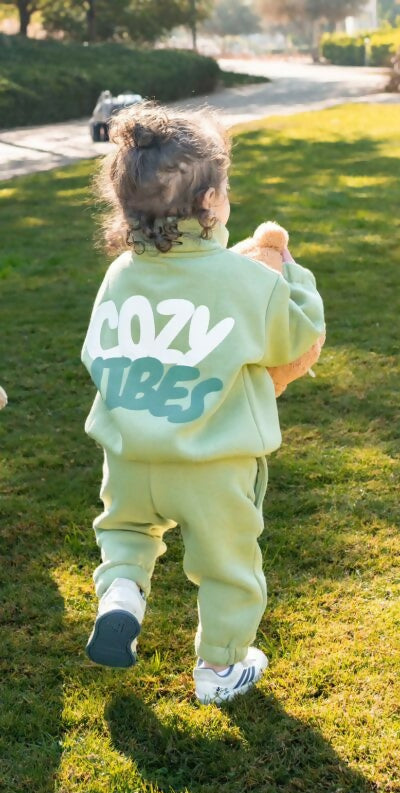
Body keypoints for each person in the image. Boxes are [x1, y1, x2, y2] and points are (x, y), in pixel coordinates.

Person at [82, 102, 325, 705]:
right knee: (226, 565)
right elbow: (298, 338)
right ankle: (220, 667)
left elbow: (94, 352)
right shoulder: (249, 282)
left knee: (126, 532)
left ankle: (121, 594)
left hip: (130, 456)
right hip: (212, 466)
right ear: (211, 202)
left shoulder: (121, 275)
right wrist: (294, 277)